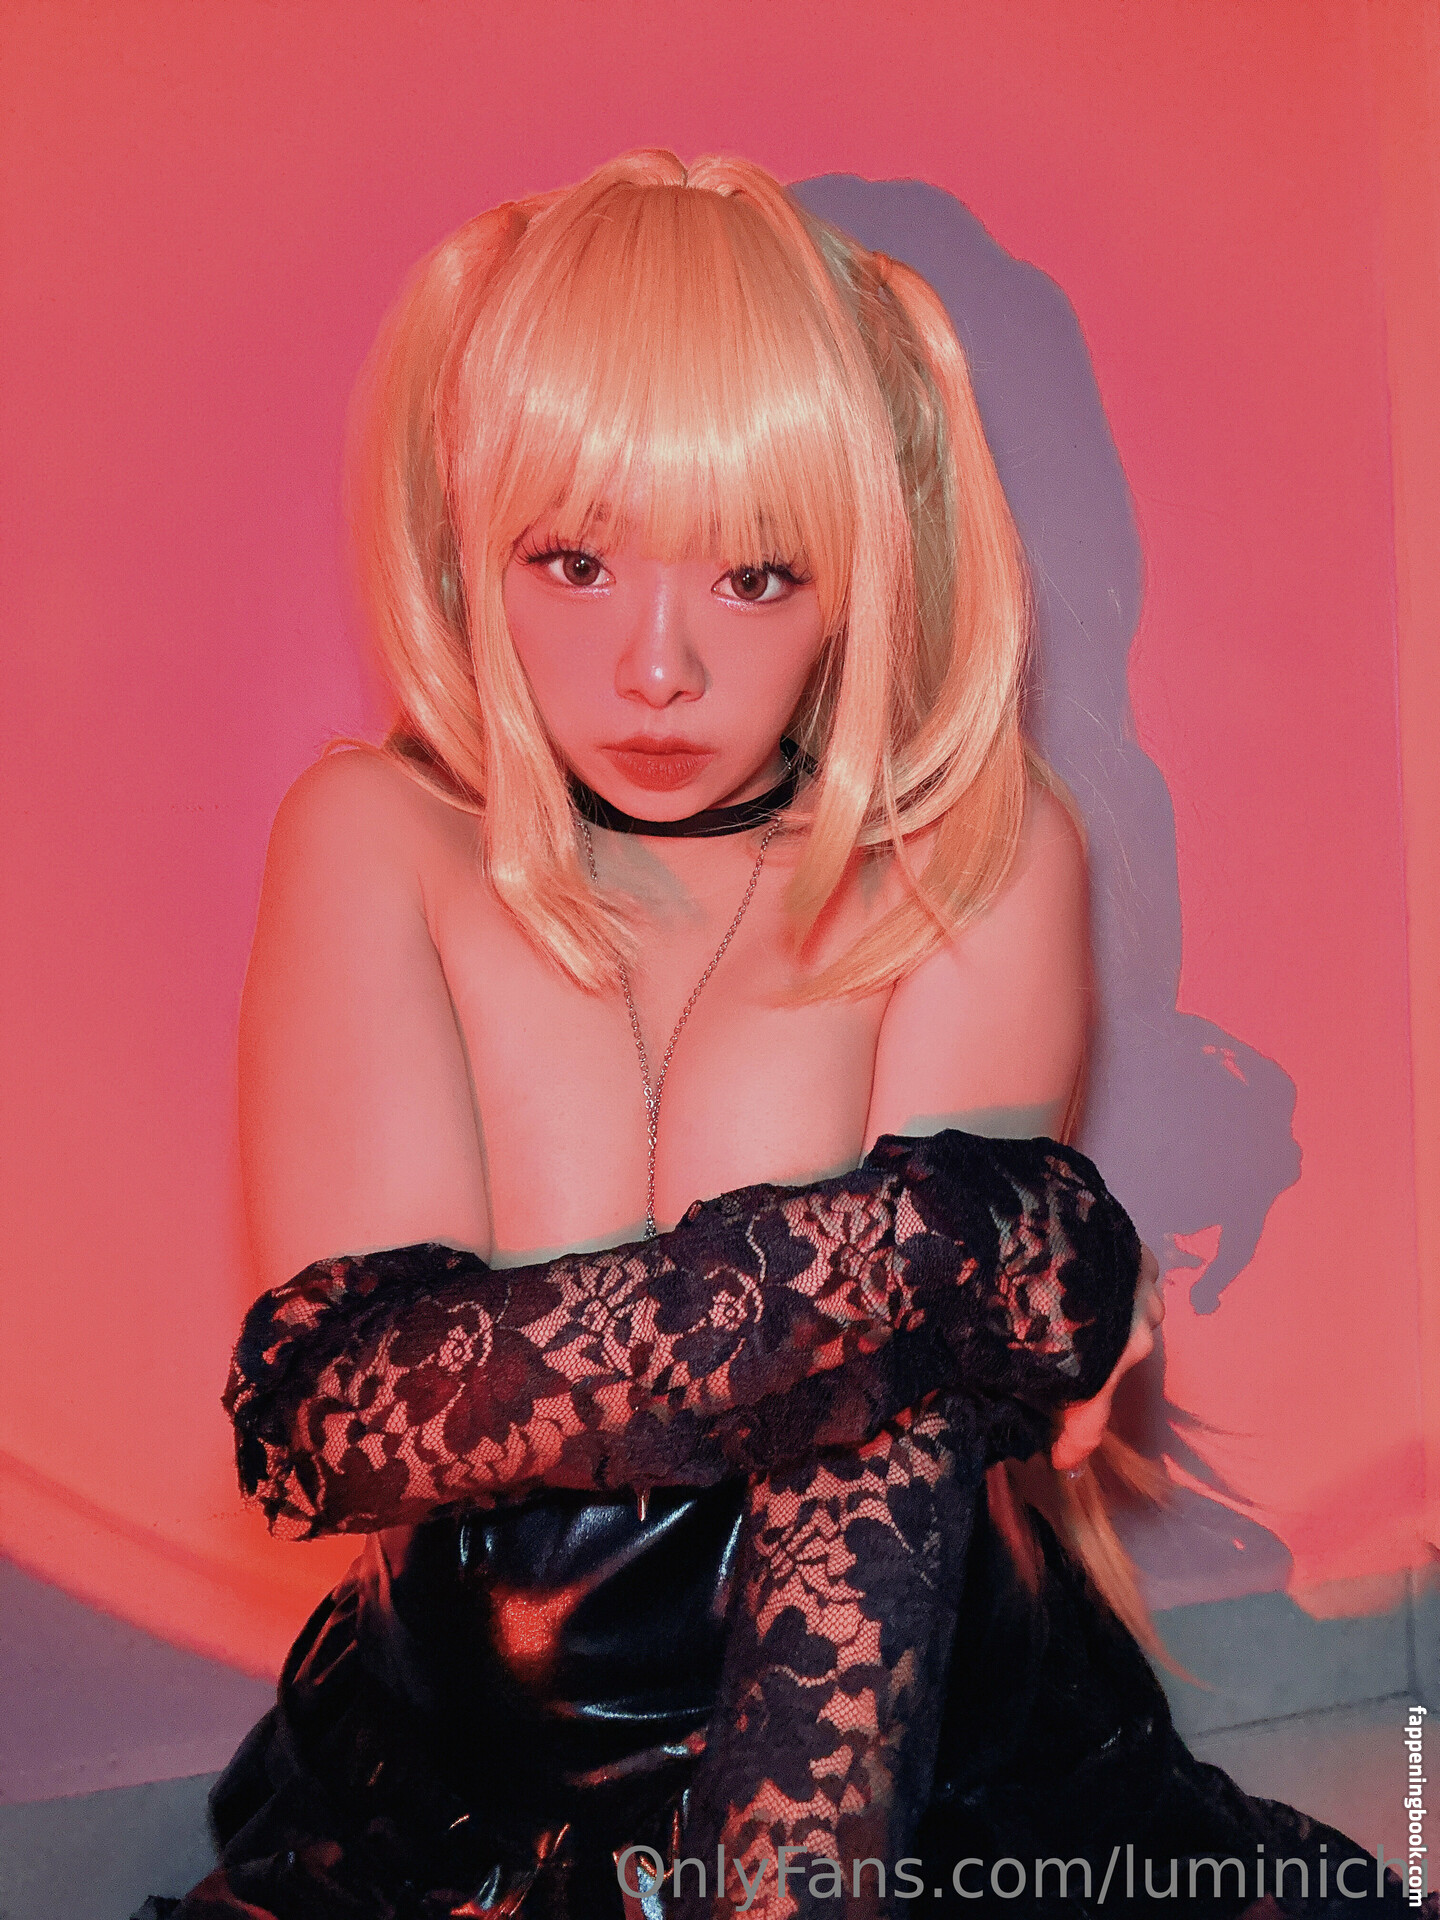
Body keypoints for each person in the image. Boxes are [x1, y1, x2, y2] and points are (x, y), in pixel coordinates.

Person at [145, 151, 1428, 1920]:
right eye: (574, 561)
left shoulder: (976, 853)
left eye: (758, 576)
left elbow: (875, 1469)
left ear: (860, 574)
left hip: (930, 1774)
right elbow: (344, 1417)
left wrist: (790, 1883)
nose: (656, 669)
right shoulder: (381, 833)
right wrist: (956, 1244)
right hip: (474, 1799)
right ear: (468, 538)